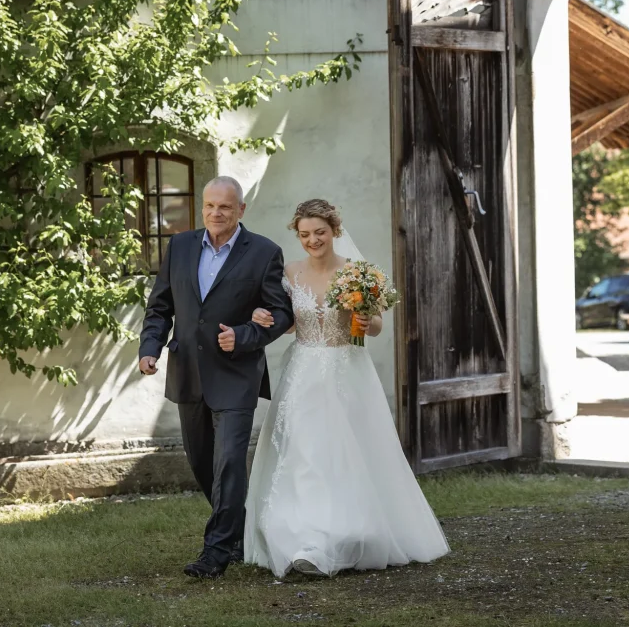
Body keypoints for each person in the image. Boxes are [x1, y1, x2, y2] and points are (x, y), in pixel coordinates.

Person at [244, 199, 449, 578]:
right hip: (303, 371)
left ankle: (347, 532)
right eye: (304, 234)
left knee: (349, 449)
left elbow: (375, 328)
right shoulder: (290, 272)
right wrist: (261, 315)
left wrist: (366, 319)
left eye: (319, 232)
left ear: (334, 230)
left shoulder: (357, 272)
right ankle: (303, 539)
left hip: (346, 369)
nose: (312, 240)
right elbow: (287, 324)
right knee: (304, 452)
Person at [138, 175, 294, 579]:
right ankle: (239, 533)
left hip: (237, 374)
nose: (215, 213)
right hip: (187, 370)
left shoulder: (264, 252)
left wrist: (244, 336)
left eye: (225, 206)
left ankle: (216, 553)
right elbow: (160, 307)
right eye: (209, 205)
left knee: (228, 464)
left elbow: (281, 314)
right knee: (203, 464)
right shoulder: (181, 247)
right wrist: (150, 348)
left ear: (241, 209)